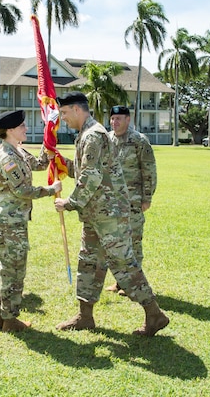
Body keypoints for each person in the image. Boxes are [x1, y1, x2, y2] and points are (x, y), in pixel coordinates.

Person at [53, 91, 169, 336]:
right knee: (89, 261)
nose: (62, 118)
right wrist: (59, 161)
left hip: (109, 215)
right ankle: (85, 316)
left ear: (77, 109)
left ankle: (154, 314)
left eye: (64, 113)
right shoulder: (87, 134)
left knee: (124, 264)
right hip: (96, 214)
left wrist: (70, 203)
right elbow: (87, 169)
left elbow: (91, 176)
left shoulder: (93, 135)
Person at [0, 110, 63, 332]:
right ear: (10, 131)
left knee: (4, 269)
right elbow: (21, 190)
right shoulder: (7, 157)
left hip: (11, 220)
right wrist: (50, 190)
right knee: (14, 270)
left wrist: (49, 133)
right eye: (22, 126)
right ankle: (10, 320)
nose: (26, 129)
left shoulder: (18, 151)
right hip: (8, 222)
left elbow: (39, 163)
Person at [104, 104, 157, 295]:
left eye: (119, 119)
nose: (114, 122)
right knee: (116, 243)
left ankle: (135, 284)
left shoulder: (139, 141)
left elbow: (149, 170)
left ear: (128, 119)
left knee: (133, 242)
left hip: (133, 201)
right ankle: (120, 282)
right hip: (111, 202)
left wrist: (147, 197)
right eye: (112, 119)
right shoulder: (107, 140)